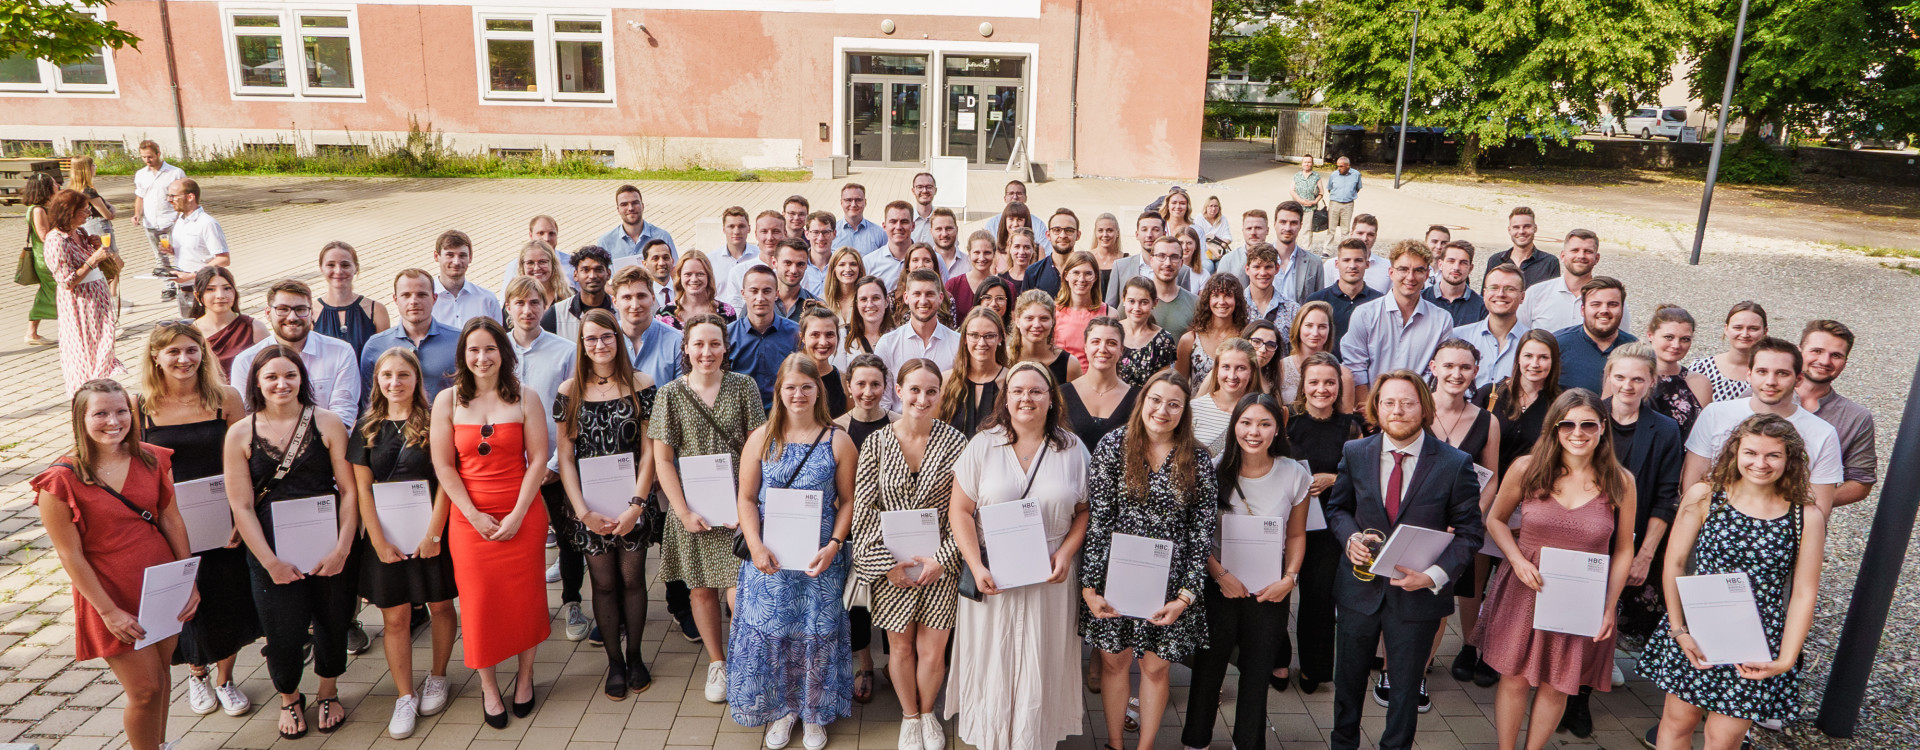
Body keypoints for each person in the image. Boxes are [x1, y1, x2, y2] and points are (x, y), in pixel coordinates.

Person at [1642, 414, 1825, 750]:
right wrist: (1679, 630)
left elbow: (1804, 593)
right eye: (1751, 453)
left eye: (1773, 455)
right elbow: (1675, 563)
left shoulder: (1805, 516)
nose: (1760, 463)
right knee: (1677, 724)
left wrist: (1785, 660)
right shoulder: (1705, 496)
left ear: (1790, 459)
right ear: (1735, 452)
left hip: (1756, 640)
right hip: (1698, 628)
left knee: (1724, 739)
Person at [35, 379, 200, 750]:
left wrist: (187, 579)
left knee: (161, 675)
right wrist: (108, 612)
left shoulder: (152, 458)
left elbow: (171, 518)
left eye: (121, 411)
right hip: (109, 592)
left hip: (160, 582)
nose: (113, 421)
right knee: (144, 689)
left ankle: (158, 745)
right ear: (81, 419)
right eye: (101, 413)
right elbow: (69, 554)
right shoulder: (60, 481)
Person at [1325, 370, 1484, 750]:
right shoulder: (1355, 453)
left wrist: (1433, 576)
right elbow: (1338, 508)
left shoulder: (1454, 463)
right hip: (1359, 590)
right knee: (1347, 682)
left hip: (1417, 596)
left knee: (1406, 689)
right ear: (1376, 408)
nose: (1397, 410)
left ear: (1424, 408)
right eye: (1389, 402)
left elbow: (1470, 533)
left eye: (1407, 403)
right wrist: (1350, 538)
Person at [1477, 389, 1637, 748]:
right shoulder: (1527, 468)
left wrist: (1609, 606)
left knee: (1558, 683)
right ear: (1554, 427)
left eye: (1588, 425)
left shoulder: (1620, 480)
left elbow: (1624, 549)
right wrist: (1517, 560)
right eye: (1567, 424)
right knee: (1514, 678)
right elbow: (1496, 520)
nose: (1577, 433)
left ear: (1603, 427)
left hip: (1582, 596)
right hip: (1526, 586)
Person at [946, 361, 1090, 750]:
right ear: (1005, 398)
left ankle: (1034, 737)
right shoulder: (982, 445)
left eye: (1036, 391)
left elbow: (1084, 511)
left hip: (1050, 573)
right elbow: (960, 510)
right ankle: (992, 736)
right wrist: (975, 565)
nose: (1027, 398)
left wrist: (1067, 553)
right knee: (993, 656)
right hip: (994, 570)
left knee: (1042, 657)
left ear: (1051, 398)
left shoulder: (1072, 449)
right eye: (1018, 391)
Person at [223, 346, 361, 738]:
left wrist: (342, 549)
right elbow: (241, 506)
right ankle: (289, 697)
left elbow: (349, 491)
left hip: (328, 543)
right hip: (270, 549)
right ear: (257, 382)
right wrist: (270, 562)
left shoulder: (327, 422)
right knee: (282, 631)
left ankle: (329, 692)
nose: (281, 384)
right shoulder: (240, 433)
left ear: (303, 378)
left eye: (290, 375)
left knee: (333, 622)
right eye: (271, 377)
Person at [729, 353, 859, 750]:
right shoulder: (761, 438)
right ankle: (783, 708)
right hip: (770, 555)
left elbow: (849, 501)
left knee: (817, 633)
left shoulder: (838, 440)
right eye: (790, 387)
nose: (798, 394)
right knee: (774, 633)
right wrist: (755, 546)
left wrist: (835, 545)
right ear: (778, 391)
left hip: (818, 556)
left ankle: (814, 712)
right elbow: (746, 498)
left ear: (818, 390)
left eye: (806, 387)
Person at [1082, 370, 1217, 750]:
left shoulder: (1197, 458)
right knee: (1114, 662)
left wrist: (1185, 597)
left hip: (1171, 584)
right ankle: (1114, 743)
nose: (1163, 410)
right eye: (1156, 400)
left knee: (1156, 668)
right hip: (1116, 578)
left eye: (1174, 404)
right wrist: (1090, 587)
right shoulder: (1113, 446)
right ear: (1143, 401)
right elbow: (1099, 520)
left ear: (1184, 411)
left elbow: (1201, 532)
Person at [429, 318, 551, 728]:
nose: (482, 358)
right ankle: (488, 686)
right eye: (474, 350)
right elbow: (444, 466)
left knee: (526, 600)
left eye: (490, 349)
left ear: (504, 353)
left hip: (522, 513)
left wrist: (517, 514)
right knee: (479, 605)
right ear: (463, 355)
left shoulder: (525, 397)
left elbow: (538, 460)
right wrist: (472, 514)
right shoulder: (447, 401)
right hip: (470, 520)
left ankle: (526, 676)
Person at [1181, 393, 1312, 750]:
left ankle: (1249, 742)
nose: (1254, 432)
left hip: (1270, 588)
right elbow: (1197, 533)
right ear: (1234, 426)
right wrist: (1219, 575)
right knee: (1208, 667)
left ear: (1277, 429)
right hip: (1218, 585)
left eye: (1264, 424)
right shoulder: (1213, 469)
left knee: (1257, 671)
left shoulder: (1294, 474)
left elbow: (1296, 534)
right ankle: (1196, 741)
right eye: (1246, 423)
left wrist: (1289, 579)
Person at [847, 359, 966, 749]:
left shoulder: (956, 442)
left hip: (940, 567)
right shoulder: (877, 443)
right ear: (898, 390)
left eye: (931, 391)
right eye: (914, 389)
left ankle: (928, 712)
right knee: (899, 647)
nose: (922, 398)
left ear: (941, 395)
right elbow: (864, 510)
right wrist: (886, 567)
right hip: (893, 567)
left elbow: (965, 510)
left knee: (933, 649)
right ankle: (909, 716)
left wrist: (944, 559)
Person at [136, 324, 253, 718]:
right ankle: (197, 672)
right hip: (170, 520)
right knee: (187, 599)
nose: (183, 359)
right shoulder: (141, 406)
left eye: (191, 350)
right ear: (156, 357)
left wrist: (242, 514)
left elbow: (245, 458)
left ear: (203, 353)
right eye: (173, 352)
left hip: (221, 515)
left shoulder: (226, 398)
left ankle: (225, 678)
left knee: (227, 596)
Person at [651, 314, 769, 702]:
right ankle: (717, 662)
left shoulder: (743, 386)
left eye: (714, 343)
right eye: (698, 344)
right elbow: (663, 459)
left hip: (738, 506)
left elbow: (757, 447)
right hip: (694, 508)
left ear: (725, 347)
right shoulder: (670, 394)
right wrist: (682, 511)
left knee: (741, 593)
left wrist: (748, 504)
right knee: (701, 590)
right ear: (686, 348)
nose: (707, 352)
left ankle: (744, 659)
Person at [351, 348, 459, 738]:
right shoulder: (366, 428)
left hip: (430, 532)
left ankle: (438, 676)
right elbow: (363, 490)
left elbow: (446, 480)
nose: (395, 383)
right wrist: (379, 542)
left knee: (441, 606)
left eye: (403, 375)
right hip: (387, 538)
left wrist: (434, 534)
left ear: (417, 379)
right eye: (387, 375)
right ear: (377, 381)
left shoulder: (434, 422)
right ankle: (404, 695)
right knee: (395, 618)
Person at [554, 309, 658, 699]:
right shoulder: (569, 391)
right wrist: (582, 511)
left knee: (632, 580)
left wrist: (637, 505)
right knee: (603, 582)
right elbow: (565, 457)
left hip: (633, 502)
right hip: (590, 506)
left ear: (618, 338)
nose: (600, 345)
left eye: (607, 336)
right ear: (581, 344)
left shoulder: (642, 384)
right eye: (591, 338)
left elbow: (650, 451)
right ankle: (614, 662)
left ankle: (635, 656)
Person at [1681, 337, 1844, 513]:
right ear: (1749, 374)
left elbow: (1819, 508)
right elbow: (1692, 487)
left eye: (1782, 373)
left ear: (1799, 379)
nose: (1771, 381)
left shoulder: (1822, 433)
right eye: (1762, 372)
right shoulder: (1715, 414)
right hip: (1713, 521)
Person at [1597, 344, 1685, 665]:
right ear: (1608, 376)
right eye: (1620, 377)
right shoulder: (1587, 417)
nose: (1627, 386)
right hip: (1585, 532)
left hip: (1631, 537)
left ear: (1651, 381)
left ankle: (1599, 667)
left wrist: (1644, 555)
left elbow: (1666, 497)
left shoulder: (1665, 429)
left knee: (1613, 609)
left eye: (1637, 379)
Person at [505, 277, 581, 627]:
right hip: (510, 467)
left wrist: (553, 463)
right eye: (519, 303)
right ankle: (526, 605)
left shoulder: (564, 351)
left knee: (568, 537)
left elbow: (572, 411)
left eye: (534, 302)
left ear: (545, 305)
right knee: (521, 539)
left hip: (554, 464)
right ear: (508, 307)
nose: (527, 310)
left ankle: (572, 602)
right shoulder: (496, 349)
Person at [1428, 340, 1503, 690]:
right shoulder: (1415, 409)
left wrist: (1471, 519)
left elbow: (1492, 477)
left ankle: (1422, 668)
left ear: (1475, 371)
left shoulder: (1487, 421)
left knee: (1443, 599)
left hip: (1460, 526)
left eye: (1464, 367)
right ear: (1433, 367)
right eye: (1448, 366)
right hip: (1417, 522)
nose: (1456, 374)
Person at [1287, 352, 1363, 693]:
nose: (1322, 389)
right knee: (1275, 595)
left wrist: (1333, 478)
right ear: (1303, 385)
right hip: (1288, 520)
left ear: (1339, 386)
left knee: (1318, 599)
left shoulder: (1351, 427)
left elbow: (1363, 477)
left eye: (1329, 382)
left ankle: (1313, 668)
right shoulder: (1287, 421)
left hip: (1327, 525)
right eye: (1314, 382)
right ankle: (1277, 661)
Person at [1340, 240, 1453, 404]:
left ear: (1427, 275)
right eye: (1403, 269)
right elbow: (1355, 367)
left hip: (1418, 408)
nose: (1410, 277)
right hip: (1371, 407)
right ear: (1391, 272)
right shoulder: (1365, 314)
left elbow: (1438, 371)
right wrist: (1367, 409)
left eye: (1418, 270)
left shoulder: (1441, 320)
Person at [43, 189, 125, 395]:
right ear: (69, 212)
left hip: (98, 300)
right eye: (84, 211)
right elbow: (66, 282)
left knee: (104, 344)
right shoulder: (56, 240)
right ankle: (87, 391)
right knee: (86, 349)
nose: (88, 214)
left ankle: (100, 387)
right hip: (81, 305)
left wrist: (95, 248)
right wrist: (93, 259)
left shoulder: (79, 232)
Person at [1796, 320, 1877, 508]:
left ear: (1845, 363)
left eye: (1836, 355)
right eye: (1816, 351)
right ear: (1799, 351)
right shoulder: (1759, 396)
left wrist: (1808, 505)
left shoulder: (1855, 417)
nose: (1825, 361)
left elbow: (1861, 482)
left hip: (1807, 519)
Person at [360, 270, 461, 398]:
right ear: (395, 299)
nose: (413, 301)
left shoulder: (458, 341)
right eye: (406, 295)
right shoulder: (375, 345)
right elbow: (368, 400)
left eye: (421, 295)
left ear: (434, 298)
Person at [1477, 330, 1563, 475]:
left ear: (1553, 361)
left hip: (1531, 483)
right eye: (1528, 356)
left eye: (1543, 357)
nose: (1534, 364)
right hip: (1486, 483)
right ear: (1518, 358)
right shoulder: (1490, 395)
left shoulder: (1560, 402)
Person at [1518, 230, 1629, 336]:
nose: (1581, 256)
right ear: (1563, 256)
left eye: (1588, 251)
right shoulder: (1535, 294)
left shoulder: (1612, 300)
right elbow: (1519, 337)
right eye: (1575, 250)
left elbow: (1623, 341)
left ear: (1597, 258)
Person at [1061, 318, 1139, 457]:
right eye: (1095, 342)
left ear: (1121, 350)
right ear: (1085, 347)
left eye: (1111, 343)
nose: (1102, 349)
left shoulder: (1138, 399)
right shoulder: (1062, 394)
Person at [729, 266, 802, 410]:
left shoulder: (796, 333)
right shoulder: (727, 336)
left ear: (776, 294)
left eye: (767, 291)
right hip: (739, 415)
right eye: (754, 291)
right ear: (743, 294)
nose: (760, 298)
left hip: (785, 414)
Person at [1453, 263, 1530, 390]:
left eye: (1510, 289)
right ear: (1484, 294)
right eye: (1494, 288)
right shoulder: (1459, 337)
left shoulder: (1531, 343)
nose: (1500, 294)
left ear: (1522, 297)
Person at [162, 179, 231, 319]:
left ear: (190, 197)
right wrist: (172, 250)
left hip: (203, 290)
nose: (169, 200)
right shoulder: (180, 221)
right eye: (168, 196)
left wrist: (192, 275)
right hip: (183, 290)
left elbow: (223, 259)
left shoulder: (207, 223)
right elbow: (194, 251)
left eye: (173, 196)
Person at [1554, 276, 1637, 393]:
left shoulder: (1635, 350)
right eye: (1596, 304)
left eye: (1612, 304)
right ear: (1582, 310)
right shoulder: (1557, 345)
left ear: (1622, 309)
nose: (1604, 310)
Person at [1304, 239, 1385, 356]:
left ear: (1367, 264)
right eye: (1346, 260)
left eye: (1358, 260)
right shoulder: (1317, 300)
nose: (1352, 266)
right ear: (1337, 264)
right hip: (1325, 365)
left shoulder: (1379, 302)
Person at [876, 269, 960, 378]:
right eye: (917, 294)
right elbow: (882, 388)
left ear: (940, 298)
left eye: (929, 294)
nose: (923, 301)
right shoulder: (888, 344)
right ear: (906, 297)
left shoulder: (957, 343)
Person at [940, 308, 1009, 437]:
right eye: (974, 335)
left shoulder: (1011, 381)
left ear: (1000, 338)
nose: (981, 343)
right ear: (965, 338)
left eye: (989, 336)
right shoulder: (946, 381)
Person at [132, 140, 187, 302]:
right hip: (151, 222)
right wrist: (137, 214)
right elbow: (140, 196)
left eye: (150, 156)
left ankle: (185, 282)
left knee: (179, 252)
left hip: (171, 220)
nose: (147, 160)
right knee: (160, 255)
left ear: (158, 154)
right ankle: (169, 286)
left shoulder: (175, 172)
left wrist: (181, 215)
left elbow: (184, 195)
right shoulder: (141, 174)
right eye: (143, 157)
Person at [190, 266, 269, 380]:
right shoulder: (191, 332)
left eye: (227, 288)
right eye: (210, 289)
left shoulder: (254, 328)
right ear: (198, 296)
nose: (220, 295)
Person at [1644, 305, 1711, 437]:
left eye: (1685, 339)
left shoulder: (1699, 383)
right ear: (1650, 335)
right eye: (1669, 337)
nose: (1676, 345)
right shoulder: (1628, 376)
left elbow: (1701, 436)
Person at [314, 241, 390, 356]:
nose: (338, 271)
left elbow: (385, 358)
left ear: (356, 268)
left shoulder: (376, 310)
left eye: (345, 265)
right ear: (321, 268)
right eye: (331, 265)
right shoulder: (311, 312)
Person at [1188, 338, 1262, 454]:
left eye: (1241, 368)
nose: (1232, 376)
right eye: (1226, 367)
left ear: (1252, 372)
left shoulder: (1261, 412)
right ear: (1217, 369)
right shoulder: (1194, 408)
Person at [1282, 301, 1357, 412]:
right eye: (1309, 326)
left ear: (1329, 330)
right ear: (1298, 327)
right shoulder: (1280, 368)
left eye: (1322, 327)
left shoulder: (1343, 375)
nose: (1315, 333)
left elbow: (1346, 416)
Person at [1103, 213, 1190, 308]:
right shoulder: (1120, 267)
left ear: (1164, 234)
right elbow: (1110, 308)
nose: (1149, 235)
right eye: (1144, 230)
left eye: (1155, 230)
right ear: (1137, 234)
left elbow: (1186, 305)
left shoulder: (1182, 271)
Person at [1177, 274, 1249, 385]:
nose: (1222, 302)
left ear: (1237, 300)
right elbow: (1179, 385)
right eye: (1216, 295)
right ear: (1208, 300)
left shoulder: (1246, 337)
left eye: (1228, 295)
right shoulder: (1190, 339)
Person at [1689, 301, 1768, 403]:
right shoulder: (1701, 368)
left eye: (1753, 329)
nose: (1745, 334)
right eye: (1738, 328)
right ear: (1726, 329)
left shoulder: (1773, 371)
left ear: (1765, 332)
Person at [542, 245, 614, 341]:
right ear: (575, 275)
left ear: (608, 274)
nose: (592, 276)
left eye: (598, 270)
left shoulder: (620, 309)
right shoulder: (557, 314)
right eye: (585, 270)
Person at [1114, 278, 1177, 387]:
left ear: (1155, 303)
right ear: (1123, 300)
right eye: (1131, 301)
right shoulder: (1112, 331)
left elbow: (1163, 383)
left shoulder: (1164, 340)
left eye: (1144, 302)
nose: (1137, 308)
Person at [21, 173, 60, 346]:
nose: (57, 185)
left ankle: (32, 332)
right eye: (54, 183)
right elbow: (44, 235)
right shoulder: (38, 210)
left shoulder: (44, 207)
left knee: (47, 292)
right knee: (56, 290)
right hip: (45, 258)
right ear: (45, 188)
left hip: (48, 256)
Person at [1482, 207, 1560, 289]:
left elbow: (1553, 295)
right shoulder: (1495, 261)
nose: (1521, 231)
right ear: (1509, 230)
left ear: (1535, 228)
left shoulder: (1549, 262)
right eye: (1516, 227)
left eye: (1527, 226)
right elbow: (1485, 294)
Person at [1051, 251, 1106, 368]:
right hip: (1061, 377)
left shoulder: (1109, 313)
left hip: (1095, 376)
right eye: (1076, 273)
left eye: (1088, 274)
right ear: (1066, 275)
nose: (1082, 279)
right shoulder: (1052, 312)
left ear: (1095, 277)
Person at [659, 250, 740, 328]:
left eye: (700, 274)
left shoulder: (726, 312)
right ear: (680, 277)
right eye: (688, 274)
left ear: (708, 276)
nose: (694, 279)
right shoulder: (664, 313)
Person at [596, 184, 678, 260]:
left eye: (635, 203)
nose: (630, 208)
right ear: (618, 209)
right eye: (624, 204)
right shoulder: (605, 242)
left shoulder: (662, 237)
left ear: (642, 206)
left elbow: (675, 268)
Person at [495, 215, 571, 294]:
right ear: (531, 235)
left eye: (551, 233)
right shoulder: (515, 266)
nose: (546, 238)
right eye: (541, 233)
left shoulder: (571, 263)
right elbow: (506, 297)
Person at [797, 307, 850, 417]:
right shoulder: (791, 378)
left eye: (829, 334)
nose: (823, 342)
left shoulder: (844, 381)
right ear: (803, 337)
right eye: (815, 335)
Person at [1423, 240, 1487, 326]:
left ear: (1470, 268)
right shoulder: (1421, 299)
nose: (1456, 267)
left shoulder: (1481, 307)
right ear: (1440, 264)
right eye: (1451, 261)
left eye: (1463, 263)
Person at [887, 244, 949, 328]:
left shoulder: (947, 298)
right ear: (908, 265)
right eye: (915, 260)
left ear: (934, 265)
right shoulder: (893, 298)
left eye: (927, 260)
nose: (921, 265)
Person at [707, 207, 759, 305]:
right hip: (720, 312)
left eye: (741, 226)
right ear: (723, 229)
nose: (736, 231)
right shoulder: (710, 260)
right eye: (731, 226)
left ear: (749, 228)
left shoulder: (759, 256)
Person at [498, 239, 569, 309]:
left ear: (553, 264)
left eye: (542, 262)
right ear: (522, 266)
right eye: (530, 263)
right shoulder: (513, 298)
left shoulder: (568, 298)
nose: (536, 268)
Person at [1242, 243, 1299, 328]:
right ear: (1247, 269)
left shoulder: (1292, 310)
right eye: (1257, 267)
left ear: (1277, 269)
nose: (1263, 273)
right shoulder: (1236, 306)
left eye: (1268, 267)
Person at [946, 231, 1001, 319]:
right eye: (977, 252)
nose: (982, 258)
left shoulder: (1005, 287)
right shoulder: (953, 285)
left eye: (987, 252)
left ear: (994, 254)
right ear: (969, 254)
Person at [69, 155, 115, 246]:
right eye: (93, 165)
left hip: (84, 226)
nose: (95, 167)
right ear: (87, 169)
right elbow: (107, 215)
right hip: (98, 226)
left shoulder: (72, 190)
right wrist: (112, 210)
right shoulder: (89, 192)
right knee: (109, 252)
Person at [773, 239, 823, 320]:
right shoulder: (759, 303)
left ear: (806, 265)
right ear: (774, 263)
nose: (793, 270)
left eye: (800, 264)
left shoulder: (818, 306)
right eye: (787, 263)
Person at [834, 183, 887, 253]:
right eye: (848, 200)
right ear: (841, 203)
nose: (853, 204)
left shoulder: (880, 234)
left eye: (858, 200)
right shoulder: (831, 233)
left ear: (865, 202)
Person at [1086, 213, 1127, 300]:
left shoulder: (1126, 260)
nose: (1105, 235)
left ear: (1117, 233)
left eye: (1109, 230)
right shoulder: (1085, 258)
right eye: (1100, 230)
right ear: (1095, 232)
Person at [823, 247, 868, 324]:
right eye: (842, 265)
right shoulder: (822, 301)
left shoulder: (868, 300)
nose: (848, 269)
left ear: (860, 269)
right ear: (834, 270)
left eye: (853, 264)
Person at [1326, 157, 1362, 243]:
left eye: (1341, 166)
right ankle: (1327, 248)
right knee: (1331, 228)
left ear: (1348, 166)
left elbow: (1357, 188)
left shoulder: (1356, 174)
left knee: (1345, 230)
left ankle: (1345, 247)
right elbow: (1330, 188)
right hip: (1334, 203)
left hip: (1348, 204)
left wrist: (1348, 195)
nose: (1339, 168)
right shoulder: (1333, 175)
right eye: (1338, 166)